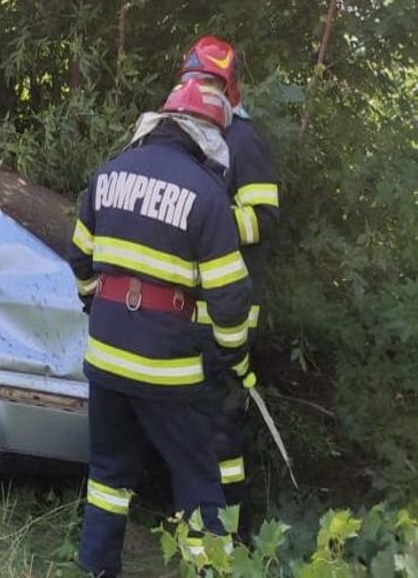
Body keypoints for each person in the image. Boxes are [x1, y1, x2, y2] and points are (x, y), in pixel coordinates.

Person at [69, 78, 254, 575]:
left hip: (106, 359)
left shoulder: (107, 174)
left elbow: (80, 260)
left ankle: (96, 569)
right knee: (197, 480)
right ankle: (209, 570)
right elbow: (231, 298)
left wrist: (99, 308)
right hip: (169, 370)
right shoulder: (208, 195)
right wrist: (231, 356)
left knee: (107, 477)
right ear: (207, 135)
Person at [177, 36, 280, 533]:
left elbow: (263, 220)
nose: (204, 93)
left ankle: (229, 535)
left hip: (227, 316)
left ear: (232, 88)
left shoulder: (244, 142)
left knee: (220, 432)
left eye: (213, 84)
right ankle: (198, 529)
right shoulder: (190, 139)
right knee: (192, 429)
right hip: (185, 313)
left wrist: (210, 219)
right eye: (197, 83)